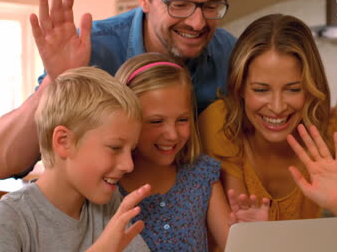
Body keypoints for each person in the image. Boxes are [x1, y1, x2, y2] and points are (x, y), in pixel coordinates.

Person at [0, 0, 236, 179]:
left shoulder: (230, 55)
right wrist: (56, 81)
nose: (197, 23)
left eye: (211, 6)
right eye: (179, 5)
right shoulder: (91, 48)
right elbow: (1, 165)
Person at [198, 14, 337, 221]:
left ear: (310, 88)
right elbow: (238, 236)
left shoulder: (333, 132)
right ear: (240, 87)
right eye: (261, 90)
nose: (277, 107)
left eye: (293, 89)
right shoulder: (220, 123)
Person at [0, 67, 151, 251]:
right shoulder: (6, 221)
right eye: (115, 148)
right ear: (63, 142)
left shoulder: (109, 206)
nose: (129, 165)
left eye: (131, 150)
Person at [114, 52, 269, 251]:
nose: (172, 135)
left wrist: (251, 234)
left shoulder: (200, 175)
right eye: (156, 121)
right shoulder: (109, 184)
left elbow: (235, 247)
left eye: (182, 120)